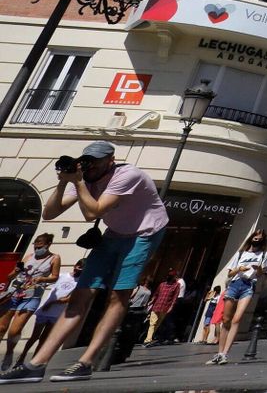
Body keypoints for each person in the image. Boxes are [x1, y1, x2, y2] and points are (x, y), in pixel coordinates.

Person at [0, 140, 169, 384]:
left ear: (110, 160)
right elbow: (49, 214)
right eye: (88, 159)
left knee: (117, 295)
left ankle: (86, 362)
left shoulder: (127, 174)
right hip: (114, 233)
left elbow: (93, 212)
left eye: (98, 160)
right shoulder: (85, 178)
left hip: (144, 233)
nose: (92, 165)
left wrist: (78, 182)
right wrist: (64, 181)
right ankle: (36, 365)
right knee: (81, 294)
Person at [209, 228, 267, 365]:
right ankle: (219, 352)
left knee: (237, 319)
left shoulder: (264, 254)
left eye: (259, 238)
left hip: (248, 286)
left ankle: (225, 354)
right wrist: (239, 269)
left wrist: (257, 268)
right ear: (251, 238)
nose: (257, 239)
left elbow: (261, 274)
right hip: (235, 283)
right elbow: (230, 274)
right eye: (255, 237)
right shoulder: (241, 253)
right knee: (226, 319)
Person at [0, 236, 59, 372]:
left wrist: (42, 278)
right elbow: (9, 277)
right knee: (1, 328)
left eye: (40, 246)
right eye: (35, 246)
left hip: (32, 296)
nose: (37, 249)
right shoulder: (28, 257)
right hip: (14, 292)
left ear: (48, 244)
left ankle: (9, 352)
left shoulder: (54, 258)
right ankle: (8, 354)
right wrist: (15, 272)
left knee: (15, 330)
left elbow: (55, 277)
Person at [14, 260, 80, 369]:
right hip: (45, 310)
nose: (79, 269)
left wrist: (52, 303)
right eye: (78, 266)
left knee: (44, 338)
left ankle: (33, 361)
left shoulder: (80, 282)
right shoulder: (62, 275)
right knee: (35, 336)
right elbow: (47, 282)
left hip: (57, 312)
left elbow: (67, 299)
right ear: (75, 265)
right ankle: (21, 357)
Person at [143, 270, 181, 346]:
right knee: (153, 323)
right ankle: (148, 339)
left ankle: (149, 338)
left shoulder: (176, 285)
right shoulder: (162, 284)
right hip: (158, 305)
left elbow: (174, 298)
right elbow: (156, 294)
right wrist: (152, 300)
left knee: (157, 323)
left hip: (165, 307)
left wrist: (171, 307)